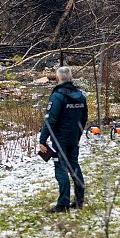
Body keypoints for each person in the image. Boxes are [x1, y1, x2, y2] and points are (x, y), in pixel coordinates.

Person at [39, 66, 88, 213]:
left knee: (60, 169)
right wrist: (78, 135)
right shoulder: (81, 96)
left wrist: (42, 140)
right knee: (74, 167)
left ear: (58, 78)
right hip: (73, 138)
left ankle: (63, 204)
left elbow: (50, 120)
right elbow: (84, 118)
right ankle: (79, 201)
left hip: (60, 139)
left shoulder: (57, 97)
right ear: (70, 78)